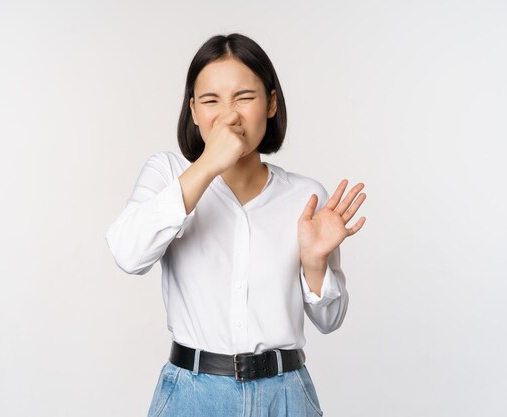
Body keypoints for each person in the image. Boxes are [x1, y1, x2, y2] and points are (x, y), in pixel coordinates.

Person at [105, 33, 366, 417]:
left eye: (244, 97)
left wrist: (315, 264)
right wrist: (209, 164)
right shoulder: (168, 174)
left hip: (287, 395)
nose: (229, 115)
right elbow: (129, 254)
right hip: (192, 395)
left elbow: (330, 319)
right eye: (211, 101)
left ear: (271, 103)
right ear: (193, 111)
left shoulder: (305, 196)